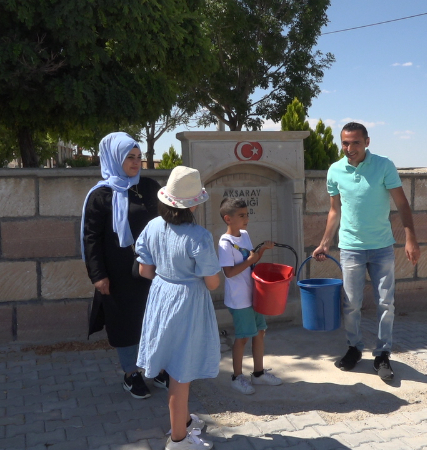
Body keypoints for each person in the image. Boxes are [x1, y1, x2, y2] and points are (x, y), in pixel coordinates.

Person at [312, 122, 421, 382]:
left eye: (355, 143)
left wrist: (411, 239)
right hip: (350, 248)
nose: (350, 148)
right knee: (351, 304)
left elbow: (402, 204)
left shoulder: (384, 165)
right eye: (345, 143)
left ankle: (382, 354)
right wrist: (325, 242)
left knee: (386, 303)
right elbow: (334, 210)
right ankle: (354, 348)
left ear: (367, 142)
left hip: (382, 247)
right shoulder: (335, 170)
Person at [135, 166, 222, 450]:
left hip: (161, 296)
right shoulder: (199, 236)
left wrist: (167, 274)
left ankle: (184, 423)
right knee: (181, 373)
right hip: (188, 302)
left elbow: (145, 271)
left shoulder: (152, 227)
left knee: (174, 366)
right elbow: (212, 284)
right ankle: (178, 440)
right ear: (194, 203)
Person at [81, 132, 167, 399]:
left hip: (153, 270)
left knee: (154, 320)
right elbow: (91, 238)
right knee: (125, 324)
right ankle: (131, 374)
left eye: (139, 157)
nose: (135, 162)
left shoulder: (150, 187)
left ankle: (156, 368)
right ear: (114, 157)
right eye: (129, 157)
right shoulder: (101, 196)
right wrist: (98, 275)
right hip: (118, 275)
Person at [217, 198, 281, 395]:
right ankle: (237, 377)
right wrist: (252, 258)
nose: (247, 219)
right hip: (239, 299)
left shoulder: (244, 235)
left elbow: (252, 260)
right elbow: (228, 272)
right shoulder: (224, 243)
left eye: (247, 215)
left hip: (254, 295)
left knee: (260, 332)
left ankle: (259, 373)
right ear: (228, 218)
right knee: (243, 337)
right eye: (242, 216)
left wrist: (261, 251)